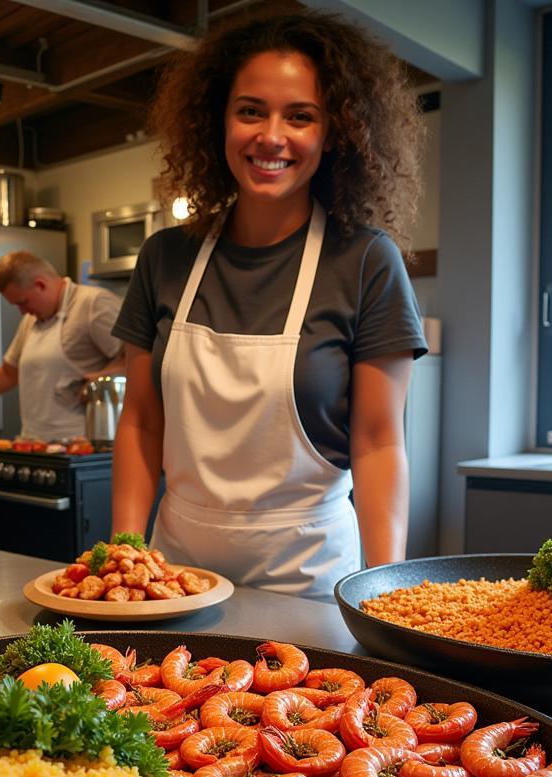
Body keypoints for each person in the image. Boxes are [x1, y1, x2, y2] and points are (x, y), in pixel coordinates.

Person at [110, 11, 428, 600]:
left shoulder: (364, 261)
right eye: (251, 110)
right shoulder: (164, 256)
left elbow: (379, 441)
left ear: (334, 133)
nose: (272, 136)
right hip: (176, 579)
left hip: (309, 578)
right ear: (219, 120)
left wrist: (389, 593)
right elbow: (141, 420)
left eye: (300, 116)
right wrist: (121, 558)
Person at [0, 251, 123, 440]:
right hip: (35, 443)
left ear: (40, 284)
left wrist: (100, 379)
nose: (22, 311)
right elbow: (9, 374)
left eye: (23, 302)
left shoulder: (93, 304)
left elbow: (134, 359)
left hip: (83, 447)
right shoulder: (32, 319)